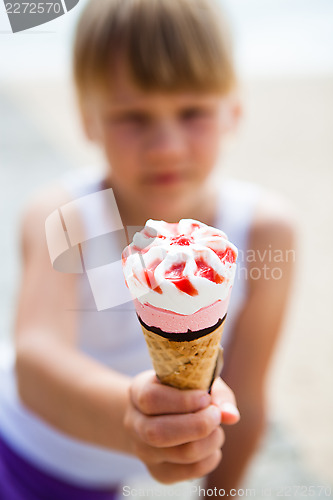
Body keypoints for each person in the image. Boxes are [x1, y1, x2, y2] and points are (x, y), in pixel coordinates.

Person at [0, 0, 295, 498]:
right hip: (20, 454)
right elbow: (35, 359)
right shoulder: (68, 217)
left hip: (111, 480)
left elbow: (246, 401)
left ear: (234, 111)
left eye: (192, 111)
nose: (165, 145)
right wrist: (132, 414)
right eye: (133, 116)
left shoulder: (264, 234)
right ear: (88, 119)